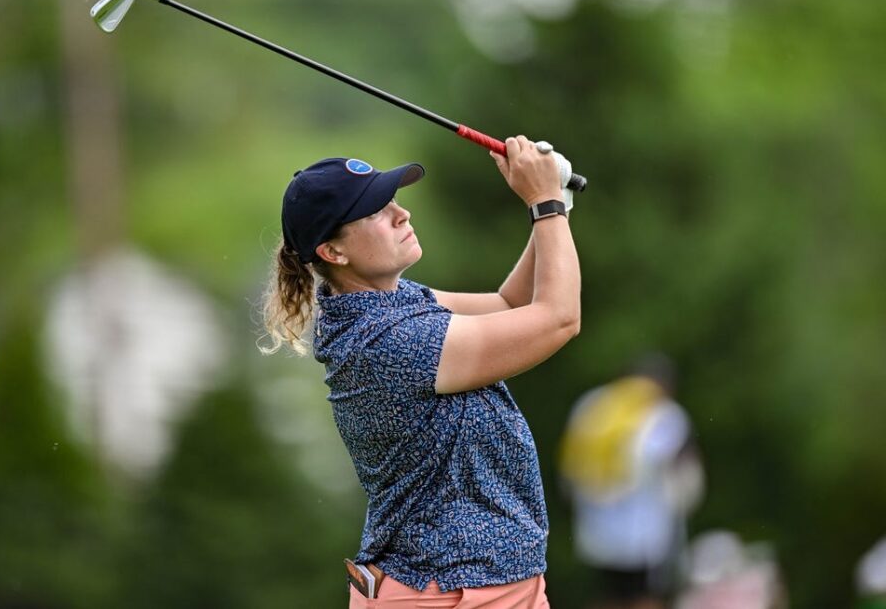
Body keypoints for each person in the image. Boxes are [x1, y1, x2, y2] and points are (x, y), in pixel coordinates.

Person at [260, 136, 581, 608]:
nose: (401, 214)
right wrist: (543, 202)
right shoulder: (388, 341)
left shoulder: (391, 301)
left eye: (392, 200)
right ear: (333, 252)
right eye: (374, 212)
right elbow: (558, 318)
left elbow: (511, 305)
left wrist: (555, 208)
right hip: (453, 592)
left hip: (470, 586)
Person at [558, 353, 704, 609]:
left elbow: (570, 465)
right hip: (645, 534)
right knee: (645, 597)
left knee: (609, 595)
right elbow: (681, 473)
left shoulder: (592, 403)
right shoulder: (663, 413)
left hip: (596, 528)